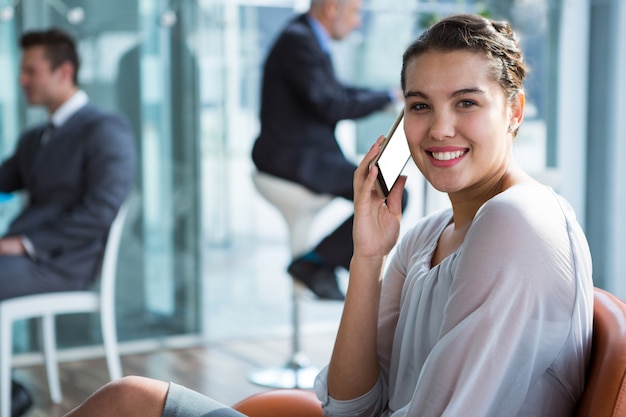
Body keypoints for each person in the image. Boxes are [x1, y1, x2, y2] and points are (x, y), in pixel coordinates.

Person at [62, 13, 593, 417]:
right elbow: (350, 405)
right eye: (420, 105)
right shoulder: (427, 235)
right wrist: (367, 257)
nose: (440, 129)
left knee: (129, 400)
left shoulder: (517, 220)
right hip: (292, 164)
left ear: (515, 111)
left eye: (467, 103)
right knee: (127, 399)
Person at [0, 28, 135, 417]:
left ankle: (9, 395)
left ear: (64, 71)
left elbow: (100, 211)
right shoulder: (35, 138)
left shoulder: (105, 130)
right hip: (25, 262)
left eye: (31, 71)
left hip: (64, 264)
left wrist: (23, 243)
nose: (21, 80)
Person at [251, 0, 404, 301]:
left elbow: (336, 91)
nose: (358, 22)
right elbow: (332, 104)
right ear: (332, 7)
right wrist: (385, 97)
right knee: (391, 191)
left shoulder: (304, 37)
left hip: (302, 153)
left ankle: (320, 261)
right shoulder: (299, 41)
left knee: (386, 185)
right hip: (291, 158)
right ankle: (314, 263)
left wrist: (388, 94)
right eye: (355, 13)